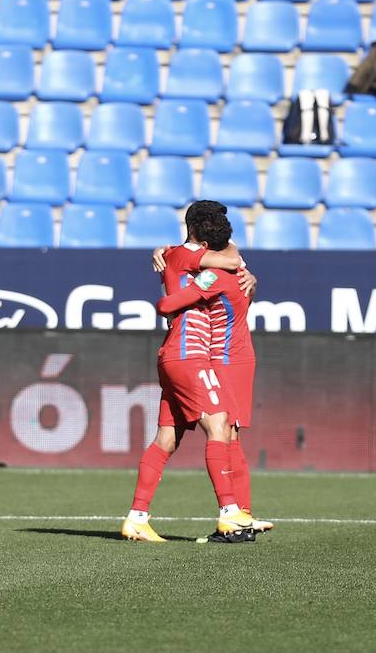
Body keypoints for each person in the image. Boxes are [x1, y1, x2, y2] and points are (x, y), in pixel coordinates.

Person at [121, 205, 261, 544]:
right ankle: (230, 512)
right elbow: (230, 259)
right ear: (198, 229)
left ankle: (137, 518)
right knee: (219, 423)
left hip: (172, 353)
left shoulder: (176, 256)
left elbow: (224, 259)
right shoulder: (183, 255)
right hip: (189, 353)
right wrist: (243, 270)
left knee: (166, 439)